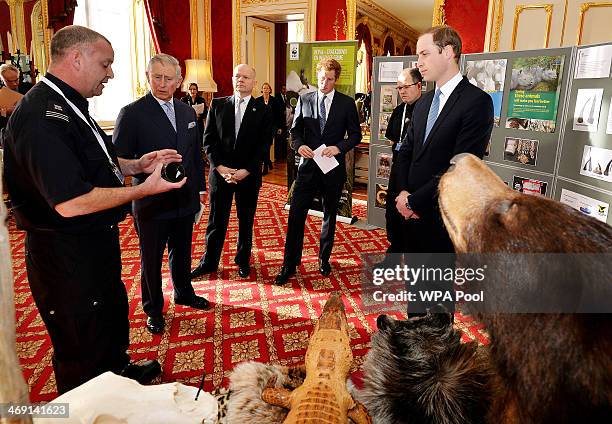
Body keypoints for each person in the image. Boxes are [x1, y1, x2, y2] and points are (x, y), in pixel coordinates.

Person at [2, 25, 186, 393]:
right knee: (81, 341)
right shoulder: (40, 117)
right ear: (76, 59)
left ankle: (116, 374)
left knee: (108, 319)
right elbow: (71, 202)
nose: (111, 73)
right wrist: (143, 190)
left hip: (92, 245)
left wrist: (135, 165)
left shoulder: (67, 103)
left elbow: (89, 162)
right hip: (66, 257)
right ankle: (91, 402)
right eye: (106, 64)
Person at [394, 26, 493, 314]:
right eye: (418, 55)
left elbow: (459, 165)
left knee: (437, 299)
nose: (419, 62)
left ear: (448, 52)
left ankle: (437, 356)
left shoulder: (477, 102)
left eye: (424, 54)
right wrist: (402, 194)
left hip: (441, 217)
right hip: (410, 214)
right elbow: (406, 152)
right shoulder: (423, 102)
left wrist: (414, 201)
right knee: (415, 294)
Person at [113, 54, 209, 335]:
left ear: (179, 81)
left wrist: (200, 192)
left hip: (184, 198)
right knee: (151, 258)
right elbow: (117, 160)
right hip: (151, 201)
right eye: (157, 77)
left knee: (182, 252)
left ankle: (184, 293)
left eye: (169, 79)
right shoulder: (131, 113)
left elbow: (193, 155)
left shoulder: (187, 111)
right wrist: (142, 163)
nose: (162, 84)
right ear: (147, 76)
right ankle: (153, 308)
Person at [274, 58, 362, 286]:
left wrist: (339, 147)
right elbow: (295, 131)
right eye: (322, 78)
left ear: (336, 79)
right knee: (295, 216)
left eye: (330, 79)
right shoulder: (305, 99)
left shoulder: (346, 103)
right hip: (308, 169)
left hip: (332, 169)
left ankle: (324, 259)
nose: (324, 83)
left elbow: (355, 135)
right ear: (317, 75)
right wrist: (298, 145)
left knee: (329, 216)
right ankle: (289, 263)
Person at [190, 64, 272, 279]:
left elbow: (264, 145)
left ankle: (242, 260)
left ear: (254, 82)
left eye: (246, 77)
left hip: (248, 176)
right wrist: (219, 166)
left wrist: (247, 170)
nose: (240, 80)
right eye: (237, 75)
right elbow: (208, 141)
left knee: (246, 221)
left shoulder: (263, 109)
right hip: (220, 173)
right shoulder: (217, 105)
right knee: (217, 221)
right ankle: (209, 262)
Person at [376, 67, 422, 267]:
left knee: (413, 217)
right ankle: (393, 257)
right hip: (398, 170)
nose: (402, 91)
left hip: (417, 173)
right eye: (399, 88)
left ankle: (415, 263)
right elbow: (392, 140)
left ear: (419, 85)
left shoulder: (427, 109)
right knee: (393, 213)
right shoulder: (399, 110)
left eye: (406, 87)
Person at [256, 82, 275, 175]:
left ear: (270, 90)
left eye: (267, 88)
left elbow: (278, 114)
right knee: (262, 148)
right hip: (260, 129)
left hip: (271, 128)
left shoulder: (274, 100)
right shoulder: (257, 100)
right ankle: (268, 164)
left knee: (267, 147)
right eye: (264, 88)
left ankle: (266, 167)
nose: (266, 90)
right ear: (262, 90)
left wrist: (278, 127)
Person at [0, 64, 21, 130]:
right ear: (2, 80)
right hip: (7, 129)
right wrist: (5, 112)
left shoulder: (29, 88)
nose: (14, 84)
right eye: (9, 81)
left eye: (16, 80)